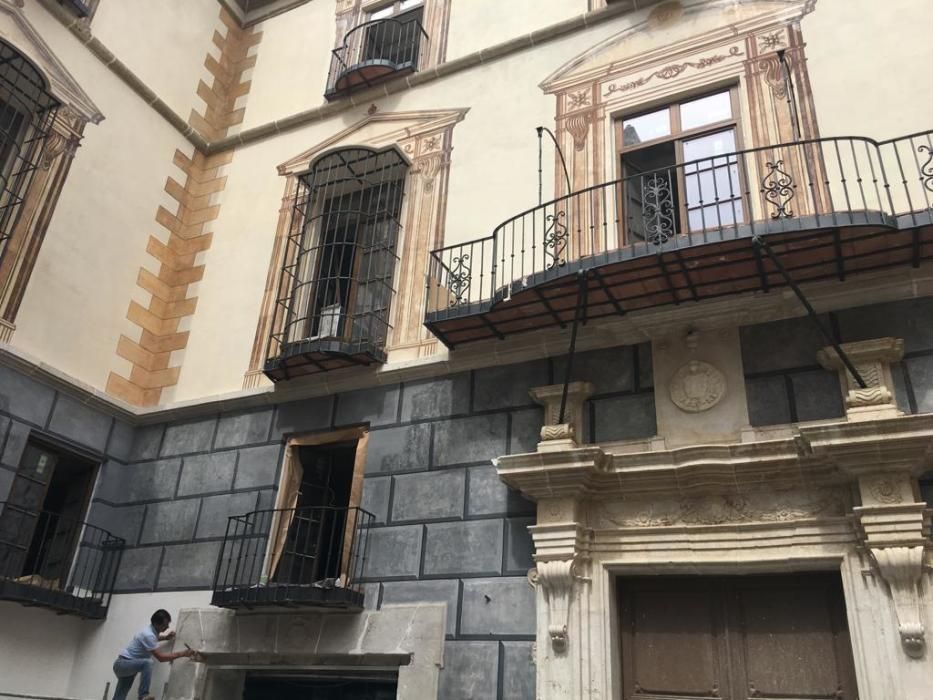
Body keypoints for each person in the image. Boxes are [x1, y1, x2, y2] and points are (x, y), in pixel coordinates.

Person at [111, 609, 194, 700]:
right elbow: (161, 658)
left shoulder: (150, 632)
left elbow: (153, 639)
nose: (167, 627)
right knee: (147, 663)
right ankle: (143, 695)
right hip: (123, 664)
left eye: (167, 625)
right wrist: (183, 653)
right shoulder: (148, 635)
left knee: (119, 697)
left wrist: (165, 637)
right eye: (164, 625)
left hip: (125, 666)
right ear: (156, 624)